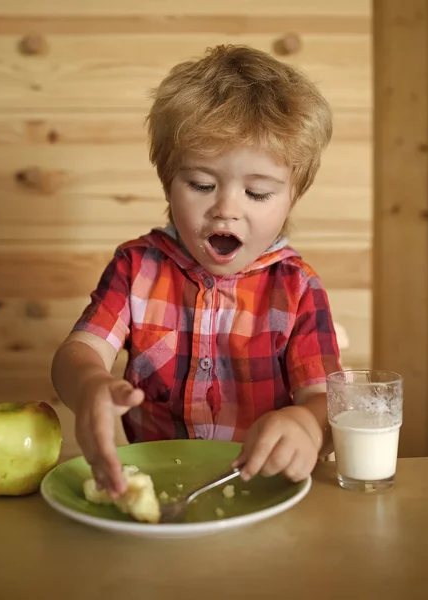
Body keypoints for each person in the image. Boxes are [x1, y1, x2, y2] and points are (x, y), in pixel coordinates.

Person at [51, 44, 342, 499]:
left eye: (258, 193)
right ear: (168, 181)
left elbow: (324, 400)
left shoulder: (297, 288)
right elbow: (79, 353)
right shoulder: (136, 269)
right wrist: (89, 386)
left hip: (260, 490)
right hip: (160, 485)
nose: (226, 209)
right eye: (202, 185)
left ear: (292, 197)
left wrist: (308, 423)